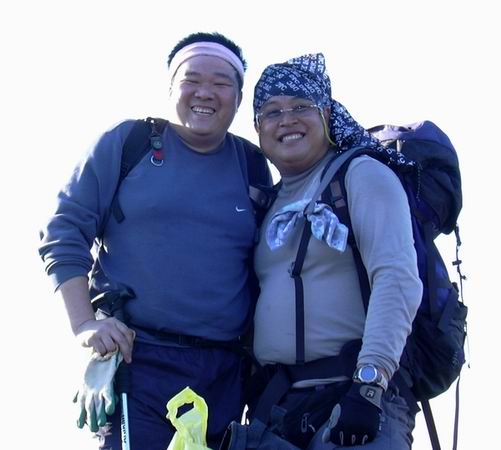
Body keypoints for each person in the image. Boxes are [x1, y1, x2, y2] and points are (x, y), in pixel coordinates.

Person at [38, 32, 271, 450]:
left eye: (221, 83)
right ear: (170, 88)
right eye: (191, 80)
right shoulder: (129, 143)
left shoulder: (252, 164)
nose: (205, 93)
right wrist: (85, 325)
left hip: (224, 374)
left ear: (238, 98)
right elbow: (64, 230)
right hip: (137, 361)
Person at [249, 53, 423, 449]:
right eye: (272, 112)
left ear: (326, 114)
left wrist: (369, 385)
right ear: (258, 128)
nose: (286, 120)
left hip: (359, 399)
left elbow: (396, 277)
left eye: (301, 106)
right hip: (280, 411)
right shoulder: (267, 204)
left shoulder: (362, 174)